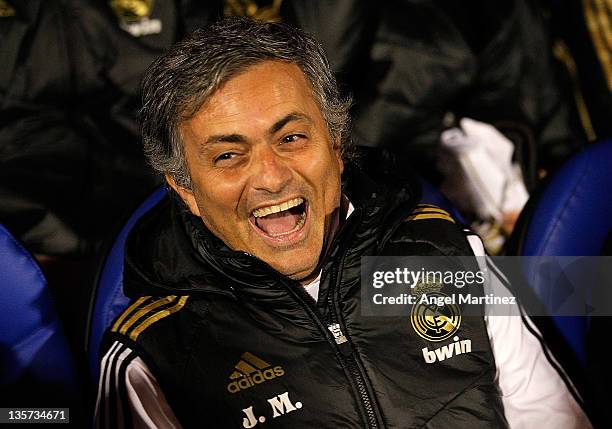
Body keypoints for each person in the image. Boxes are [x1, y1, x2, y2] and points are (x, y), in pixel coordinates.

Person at [95, 17, 590, 428]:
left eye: (290, 139)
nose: (270, 177)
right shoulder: (155, 353)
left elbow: (550, 415)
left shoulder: (441, 252)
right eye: (229, 155)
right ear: (186, 190)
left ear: (336, 144)